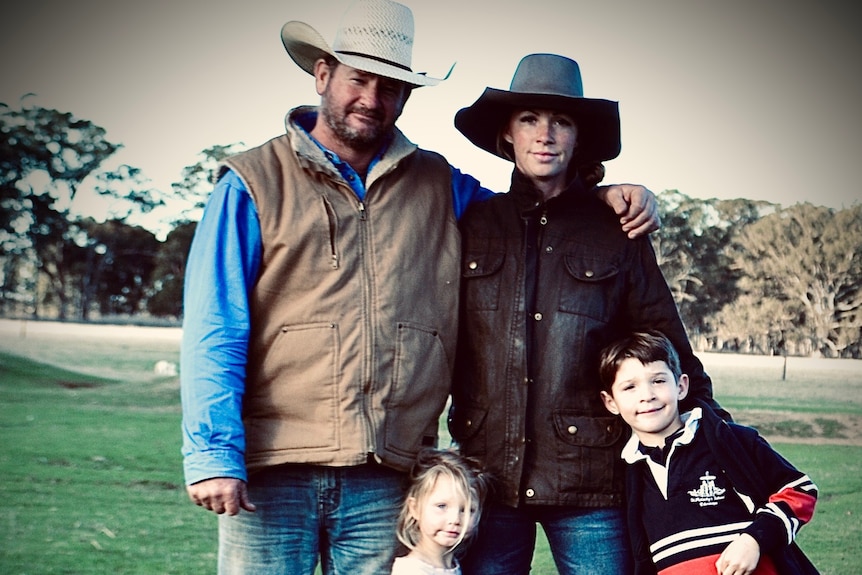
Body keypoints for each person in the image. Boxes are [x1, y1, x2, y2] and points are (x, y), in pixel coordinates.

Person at [180, 1, 659, 572]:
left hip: (389, 473)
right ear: (323, 74)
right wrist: (213, 454)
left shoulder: (441, 185)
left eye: (391, 87)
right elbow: (216, 327)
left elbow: (533, 221)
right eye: (359, 79)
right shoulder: (253, 183)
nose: (372, 99)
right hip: (274, 466)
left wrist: (599, 199)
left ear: (406, 97)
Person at [448, 53, 728, 575]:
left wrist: (713, 432)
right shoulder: (473, 223)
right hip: (485, 471)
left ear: (579, 139)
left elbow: (665, 339)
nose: (545, 134)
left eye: (562, 121)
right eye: (529, 119)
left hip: (591, 478)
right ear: (507, 134)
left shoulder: (616, 230)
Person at [598, 331, 819, 575]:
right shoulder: (627, 471)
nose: (647, 395)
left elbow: (801, 491)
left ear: (681, 386)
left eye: (658, 381)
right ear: (611, 402)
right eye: (630, 387)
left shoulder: (732, 440)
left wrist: (754, 540)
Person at [393, 448, 489, 575]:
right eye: (442, 506)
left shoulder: (454, 566)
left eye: (467, 510)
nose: (455, 519)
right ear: (415, 508)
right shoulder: (410, 570)